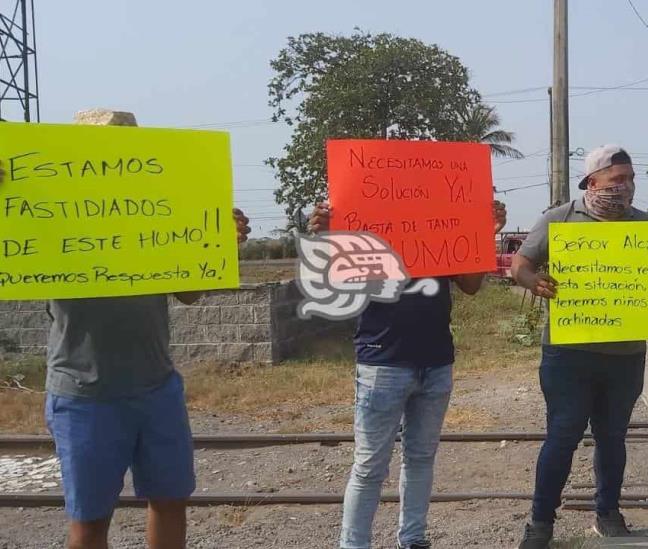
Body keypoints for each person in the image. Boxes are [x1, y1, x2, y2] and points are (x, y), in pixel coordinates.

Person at [7, 109, 251, 549]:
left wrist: (217, 243)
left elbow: (190, 294)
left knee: (171, 501)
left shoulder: (158, 213)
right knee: (90, 521)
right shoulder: (49, 213)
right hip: (83, 394)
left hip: (157, 387)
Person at [512, 145, 648, 549]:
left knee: (613, 437)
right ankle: (540, 522)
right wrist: (534, 282)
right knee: (562, 435)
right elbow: (520, 265)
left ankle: (608, 514)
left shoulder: (645, 225)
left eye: (630, 178)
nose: (625, 187)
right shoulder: (559, 219)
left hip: (626, 355)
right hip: (568, 353)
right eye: (617, 179)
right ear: (592, 182)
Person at [310, 199, 507, 549]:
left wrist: (483, 234)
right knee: (370, 465)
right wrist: (330, 237)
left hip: (435, 361)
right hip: (381, 361)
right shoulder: (369, 224)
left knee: (420, 458)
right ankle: (354, 545)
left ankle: (413, 539)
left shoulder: (445, 222)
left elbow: (471, 284)